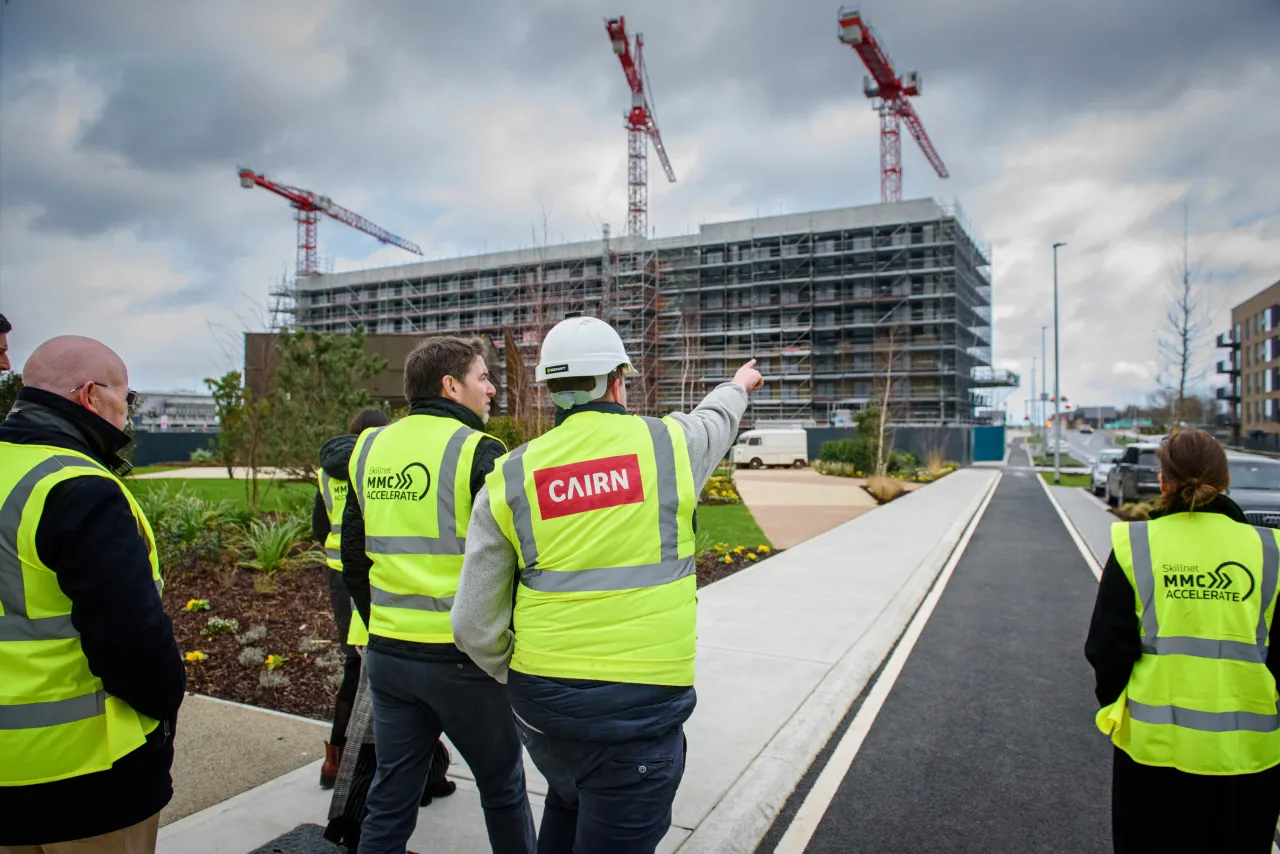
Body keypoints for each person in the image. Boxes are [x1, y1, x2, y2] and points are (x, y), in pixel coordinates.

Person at [452, 315, 763, 853]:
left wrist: (521, 669)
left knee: (568, 802)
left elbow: (472, 624)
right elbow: (716, 420)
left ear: (550, 389)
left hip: (544, 717)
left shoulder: (510, 477)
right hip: (635, 719)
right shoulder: (669, 446)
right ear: (619, 381)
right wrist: (739, 385)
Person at [343, 336, 536, 854]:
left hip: (388, 656)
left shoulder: (369, 448)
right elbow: (510, 562)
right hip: (463, 660)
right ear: (451, 386)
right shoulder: (479, 451)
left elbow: (354, 557)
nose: (492, 388)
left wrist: (379, 622)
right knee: (502, 787)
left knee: (392, 792)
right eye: (482, 378)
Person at [0, 336, 185, 852]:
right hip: (82, 775)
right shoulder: (79, 487)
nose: (128, 412)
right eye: (126, 398)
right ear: (90, 396)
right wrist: (163, 710)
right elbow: (133, 643)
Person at [1086, 429, 1280, 853]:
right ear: (1225, 480)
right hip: (1248, 756)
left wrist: (1118, 707)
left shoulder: (1137, 544)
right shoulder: (1270, 552)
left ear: (1163, 481)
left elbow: (1106, 648)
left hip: (1155, 754)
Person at [313, 408, 455, 851]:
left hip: (355, 583)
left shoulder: (334, 469)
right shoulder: (378, 464)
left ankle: (343, 765)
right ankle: (354, 778)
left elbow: (323, 528)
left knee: (362, 684)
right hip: (385, 592)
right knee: (373, 697)